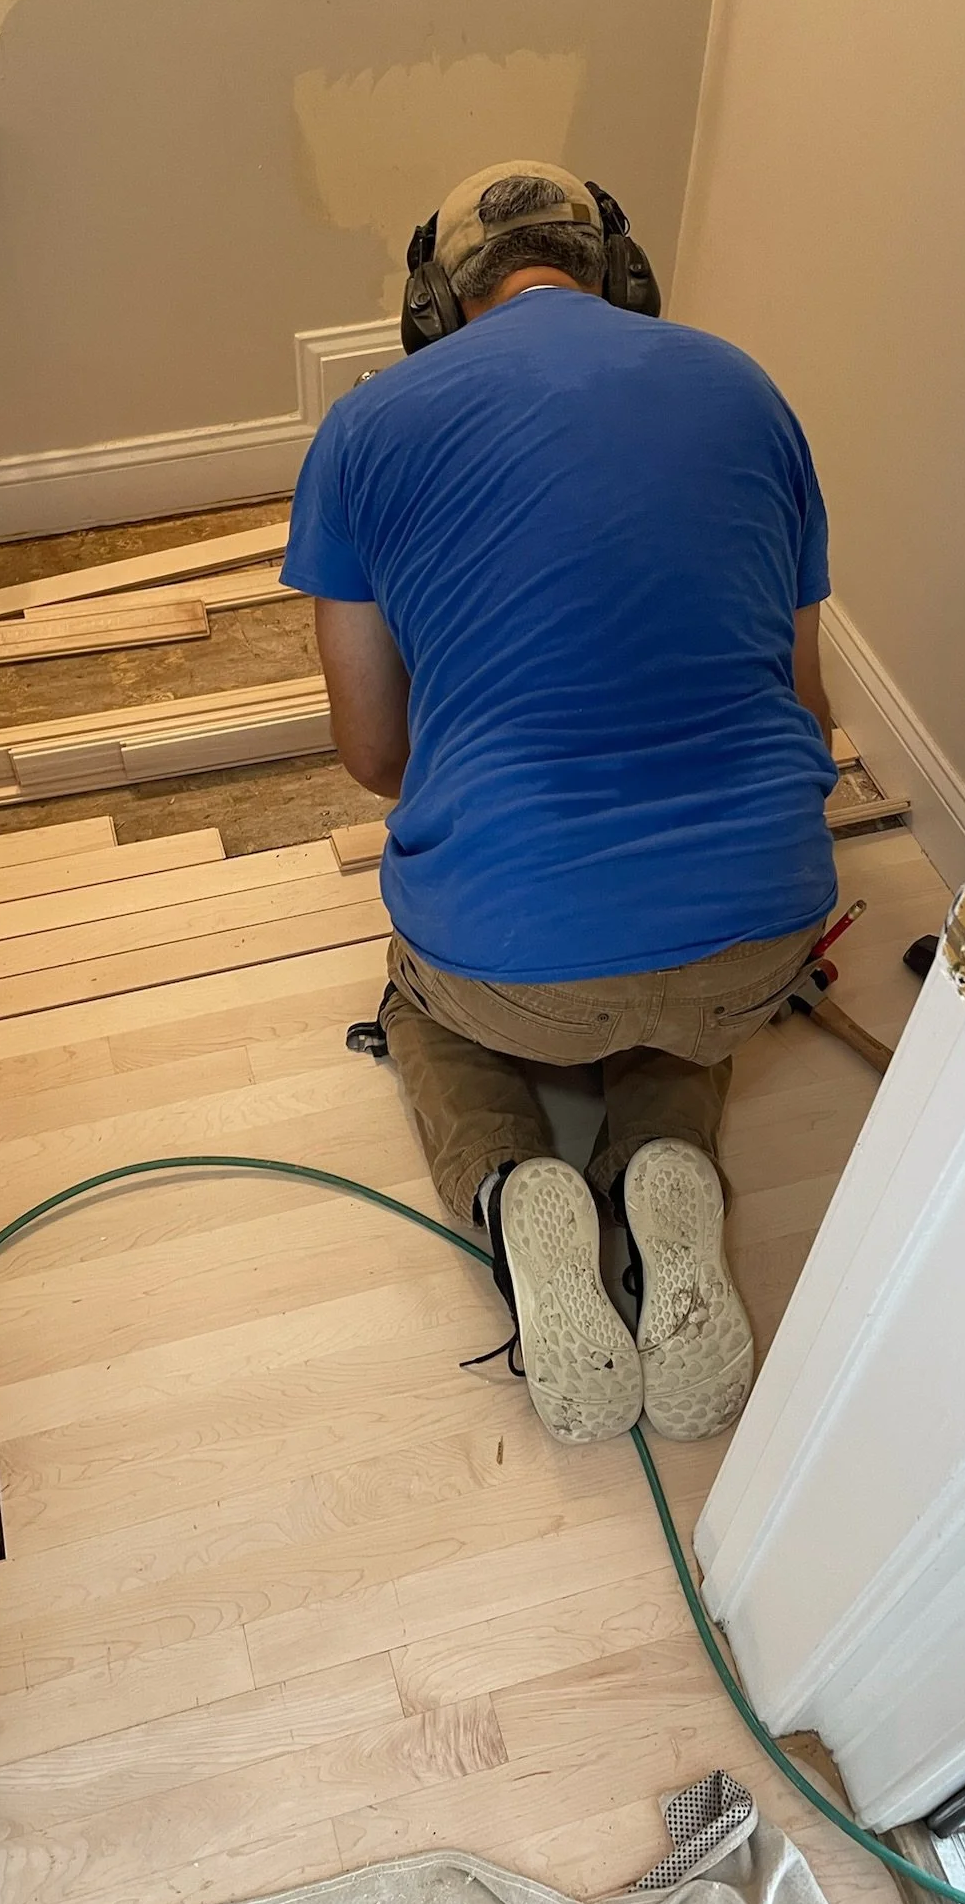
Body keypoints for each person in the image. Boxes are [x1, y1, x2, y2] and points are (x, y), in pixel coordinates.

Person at [280, 159, 837, 1450]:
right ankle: (668, 1168)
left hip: (510, 964)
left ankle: (513, 1183)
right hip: (762, 929)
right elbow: (808, 711)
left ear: (431, 305)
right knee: (680, 1022)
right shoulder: (748, 388)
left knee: (422, 1001)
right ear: (620, 276)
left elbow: (374, 755)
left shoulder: (365, 429)